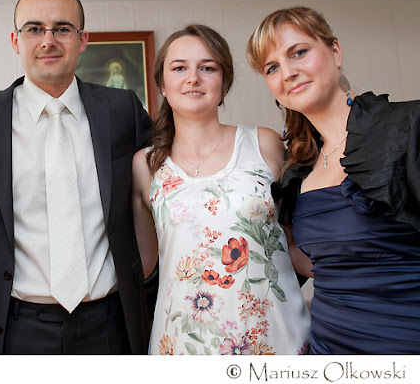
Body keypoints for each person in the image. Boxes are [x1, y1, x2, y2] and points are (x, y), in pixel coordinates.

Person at [0, 0, 152, 354]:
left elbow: (164, 198)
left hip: (112, 324)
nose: (48, 40)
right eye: (34, 29)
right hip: (10, 329)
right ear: (15, 40)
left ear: (82, 40)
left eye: (62, 29)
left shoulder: (123, 111)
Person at [246, 6, 420, 354]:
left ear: (335, 53)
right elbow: (307, 262)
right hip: (328, 351)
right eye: (272, 67)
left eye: (299, 52)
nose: (288, 72)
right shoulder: (296, 171)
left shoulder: (408, 126)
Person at [132, 24, 310, 355]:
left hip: (273, 338)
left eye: (208, 68)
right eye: (179, 68)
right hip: (183, 343)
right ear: (162, 85)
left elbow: (297, 240)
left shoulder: (264, 144)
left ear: (224, 83)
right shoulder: (146, 165)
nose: (193, 78)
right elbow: (143, 264)